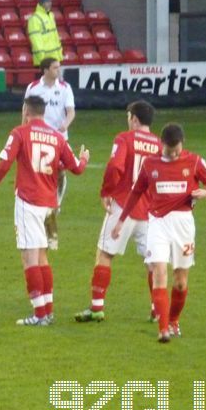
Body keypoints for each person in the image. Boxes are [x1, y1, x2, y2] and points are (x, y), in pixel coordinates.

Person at [0, 96, 90, 326]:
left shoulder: (20, 133)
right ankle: (47, 311)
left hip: (29, 202)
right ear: (44, 111)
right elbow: (76, 169)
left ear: (25, 110)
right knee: (42, 257)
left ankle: (39, 315)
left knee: (29, 259)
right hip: (50, 205)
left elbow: (4, 163)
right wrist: (84, 159)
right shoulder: (57, 137)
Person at [111, 123, 206, 343]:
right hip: (157, 223)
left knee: (180, 281)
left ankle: (173, 321)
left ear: (183, 144)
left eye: (177, 150)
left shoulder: (194, 161)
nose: (174, 154)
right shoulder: (150, 164)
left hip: (184, 223)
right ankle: (163, 330)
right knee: (159, 271)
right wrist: (121, 220)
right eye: (170, 151)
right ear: (162, 145)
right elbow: (136, 192)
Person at [75, 100, 162, 323]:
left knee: (105, 253)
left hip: (123, 205)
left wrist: (106, 191)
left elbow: (115, 167)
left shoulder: (124, 138)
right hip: (149, 210)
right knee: (152, 261)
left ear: (134, 119)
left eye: (128, 117)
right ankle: (157, 309)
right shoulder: (160, 145)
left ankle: (96, 308)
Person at [24, 57, 76, 248]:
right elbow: (26, 110)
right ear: (45, 70)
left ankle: (54, 204)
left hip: (59, 140)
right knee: (42, 176)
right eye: (55, 68)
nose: (58, 70)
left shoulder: (64, 88)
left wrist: (65, 125)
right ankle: (48, 215)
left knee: (60, 174)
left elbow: (71, 111)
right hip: (39, 139)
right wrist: (24, 129)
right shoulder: (33, 87)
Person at [27, 0, 62, 67]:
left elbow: (55, 37)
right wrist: (42, 59)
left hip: (54, 58)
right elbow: (36, 40)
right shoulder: (35, 19)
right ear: (41, 3)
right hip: (44, 61)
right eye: (47, 2)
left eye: (50, 1)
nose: (49, 3)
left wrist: (59, 56)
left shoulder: (51, 15)